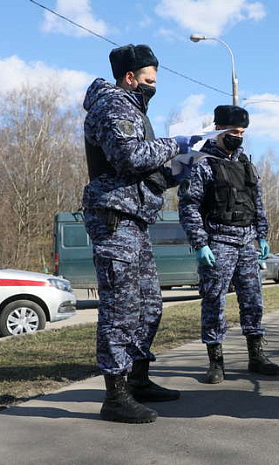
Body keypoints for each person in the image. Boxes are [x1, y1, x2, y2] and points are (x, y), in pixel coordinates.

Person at [83, 44, 201, 423]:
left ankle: (138, 379)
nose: (154, 87)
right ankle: (115, 397)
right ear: (130, 76)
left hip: (135, 218)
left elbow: (141, 172)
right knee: (121, 309)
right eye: (149, 81)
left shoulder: (132, 109)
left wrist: (178, 170)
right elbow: (129, 157)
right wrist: (177, 143)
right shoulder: (113, 104)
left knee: (149, 306)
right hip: (115, 217)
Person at [178, 105, 279, 384]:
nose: (239, 137)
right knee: (214, 300)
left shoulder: (246, 163)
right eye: (234, 132)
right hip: (219, 240)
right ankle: (216, 361)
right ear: (219, 129)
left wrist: (262, 234)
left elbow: (257, 201)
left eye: (243, 132)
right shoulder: (203, 163)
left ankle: (256, 355)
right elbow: (189, 206)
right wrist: (200, 243)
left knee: (253, 299)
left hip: (247, 240)